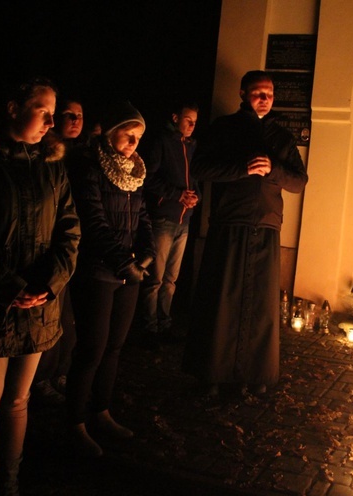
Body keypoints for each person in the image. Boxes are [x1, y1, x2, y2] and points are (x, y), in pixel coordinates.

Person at [0, 77, 80, 496]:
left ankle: (10, 481)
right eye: (43, 111)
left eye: (55, 113)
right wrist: (5, 284)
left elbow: (70, 231)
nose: (52, 122)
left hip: (38, 303)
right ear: (14, 108)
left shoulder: (53, 165)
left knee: (19, 399)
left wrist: (48, 285)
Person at [182, 71, 308, 397]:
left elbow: (299, 181)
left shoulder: (281, 136)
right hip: (229, 224)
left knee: (260, 310)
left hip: (266, 226)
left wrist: (274, 170)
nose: (264, 98)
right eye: (257, 92)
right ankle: (213, 374)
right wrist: (242, 168)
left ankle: (254, 374)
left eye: (268, 93)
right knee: (221, 303)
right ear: (242, 93)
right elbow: (200, 169)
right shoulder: (224, 128)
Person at [65, 101, 155, 458]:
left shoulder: (136, 171)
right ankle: (74, 423)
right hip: (99, 272)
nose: (133, 143)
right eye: (127, 134)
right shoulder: (90, 165)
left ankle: (100, 411)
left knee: (115, 348)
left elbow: (143, 215)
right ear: (111, 132)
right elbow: (93, 220)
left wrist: (146, 253)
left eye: (137, 137)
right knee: (91, 349)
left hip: (128, 271)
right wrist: (122, 263)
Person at [31, 97, 87, 406]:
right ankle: (42, 376)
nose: (74, 120)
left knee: (71, 317)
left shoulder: (87, 155)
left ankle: (60, 371)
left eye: (79, 115)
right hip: (51, 247)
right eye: (68, 115)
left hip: (77, 247)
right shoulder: (47, 157)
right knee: (52, 315)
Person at [140, 101, 200, 343]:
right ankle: (149, 327)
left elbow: (194, 180)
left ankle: (164, 324)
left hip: (184, 220)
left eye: (195, 122)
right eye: (188, 120)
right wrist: (177, 195)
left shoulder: (192, 147)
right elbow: (148, 178)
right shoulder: (162, 142)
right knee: (155, 278)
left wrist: (196, 196)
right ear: (175, 118)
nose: (192, 125)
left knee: (171, 280)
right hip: (164, 218)